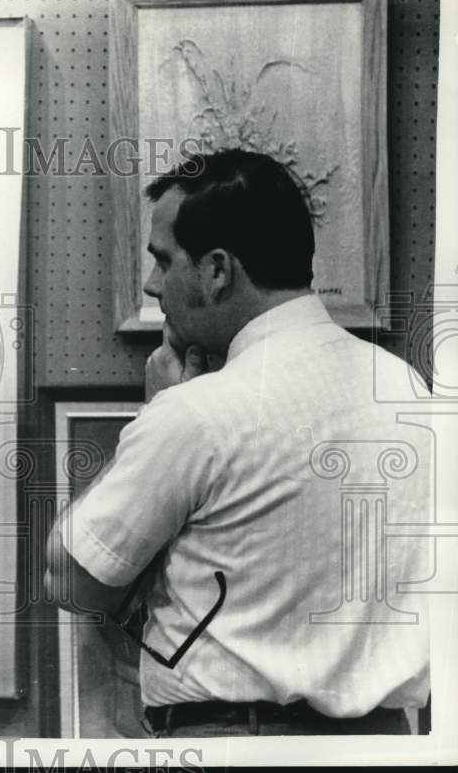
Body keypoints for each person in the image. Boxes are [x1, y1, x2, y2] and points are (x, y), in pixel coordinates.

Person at [45, 149, 432, 737]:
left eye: (164, 260)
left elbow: (71, 578)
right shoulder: (406, 386)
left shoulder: (197, 414)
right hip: (386, 741)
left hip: (234, 741)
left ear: (218, 270)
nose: (153, 286)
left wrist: (157, 411)